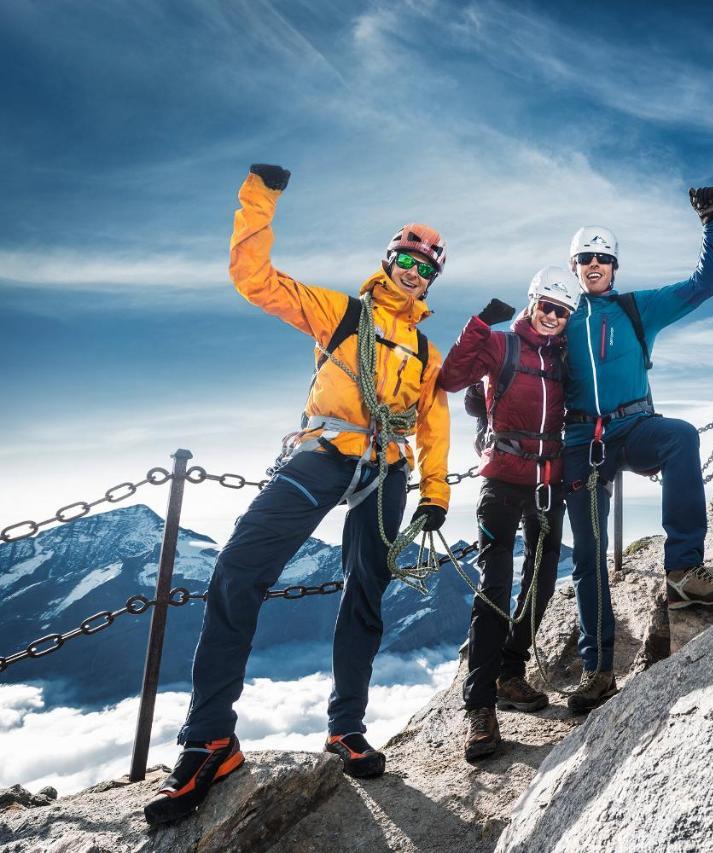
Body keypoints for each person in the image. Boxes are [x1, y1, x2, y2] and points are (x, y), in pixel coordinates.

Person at [144, 164, 451, 825]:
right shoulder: (339, 312)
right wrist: (259, 197)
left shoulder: (426, 351)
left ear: (431, 281)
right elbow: (255, 280)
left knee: (365, 592)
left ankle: (346, 728)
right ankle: (210, 740)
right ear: (388, 260)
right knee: (238, 567)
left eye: (424, 268)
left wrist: (433, 493)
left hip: (387, 469)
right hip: (323, 452)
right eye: (405, 259)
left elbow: (433, 423)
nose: (411, 273)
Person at [561, 187, 713, 714]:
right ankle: (597, 672)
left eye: (603, 258)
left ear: (614, 266)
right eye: (585, 259)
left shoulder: (636, 310)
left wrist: (712, 221)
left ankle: (683, 571)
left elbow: (702, 286)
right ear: (574, 267)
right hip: (580, 443)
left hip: (635, 427)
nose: (594, 265)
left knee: (681, 436)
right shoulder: (560, 319)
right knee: (590, 555)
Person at [439, 267, 576, 759]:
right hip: (500, 481)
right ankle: (479, 709)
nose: (553, 317)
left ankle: (510, 673)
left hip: (546, 483)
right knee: (494, 588)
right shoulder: (500, 344)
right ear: (532, 302)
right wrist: (477, 324)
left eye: (563, 311)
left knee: (539, 581)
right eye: (547, 306)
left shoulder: (564, 357)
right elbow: (452, 378)